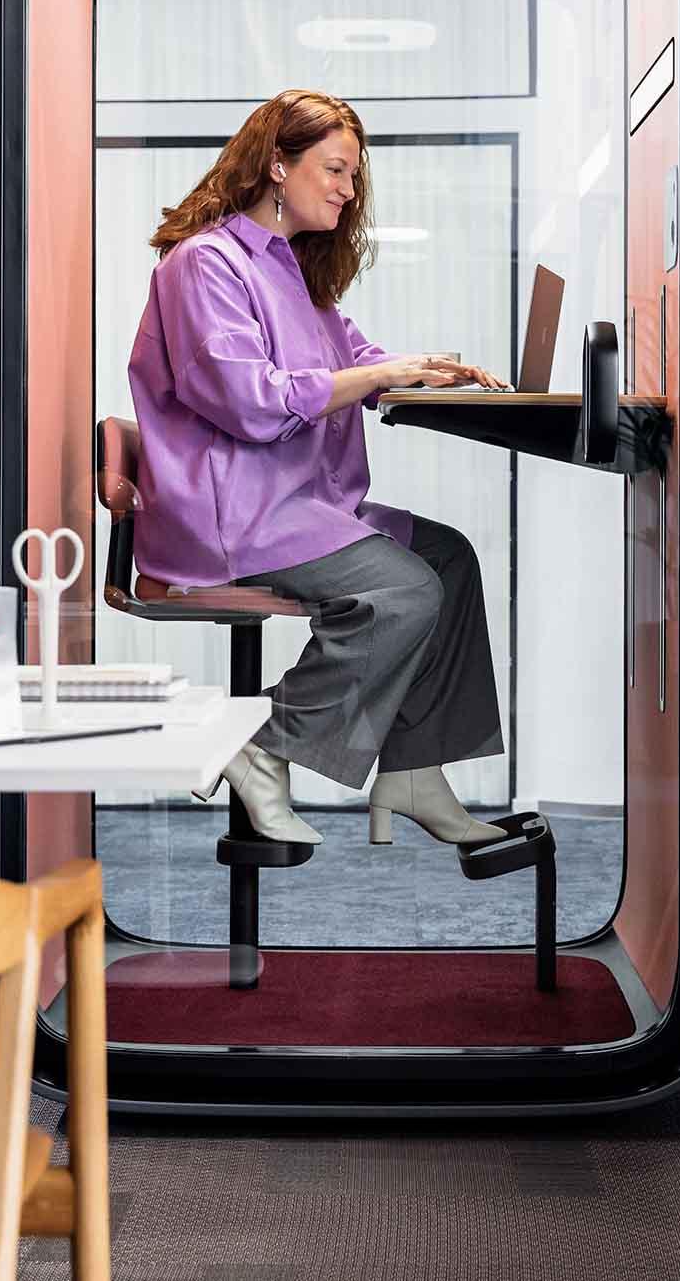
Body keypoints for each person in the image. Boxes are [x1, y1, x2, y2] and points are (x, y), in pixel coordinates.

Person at [127, 88, 507, 848]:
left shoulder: (296, 275)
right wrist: (372, 379)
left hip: (299, 503)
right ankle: (262, 743)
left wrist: (420, 370)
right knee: (403, 591)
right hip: (232, 516)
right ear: (277, 165)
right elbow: (249, 401)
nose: (348, 188)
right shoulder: (205, 265)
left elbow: (353, 360)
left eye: (353, 176)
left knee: (449, 559)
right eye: (334, 169)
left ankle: (412, 767)